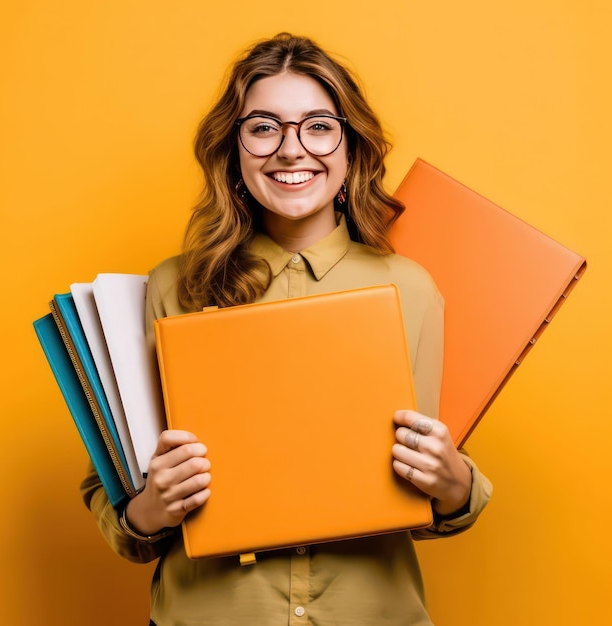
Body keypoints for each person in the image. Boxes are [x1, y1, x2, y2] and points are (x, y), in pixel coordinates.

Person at [81, 32, 492, 625]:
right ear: (234, 148)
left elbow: (426, 485)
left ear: (351, 148)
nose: (291, 150)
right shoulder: (170, 288)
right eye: (264, 126)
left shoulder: (413, 288)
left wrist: (454, 484)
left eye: (319, 126)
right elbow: (113, 493)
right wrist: (149, 508)